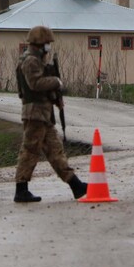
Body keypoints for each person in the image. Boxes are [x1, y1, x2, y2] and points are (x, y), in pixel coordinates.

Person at [13, 25, 87, 202]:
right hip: (34, 114)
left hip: (43, 114)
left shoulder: (36, 60)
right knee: (30, 150)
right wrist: (56, 81)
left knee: (55, 150)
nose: (48, 46)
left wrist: (55, 98)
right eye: (47, 43)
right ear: (40, 43)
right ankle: (21, 189)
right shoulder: (30, 61)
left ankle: (76, 185)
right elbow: (35, 84)